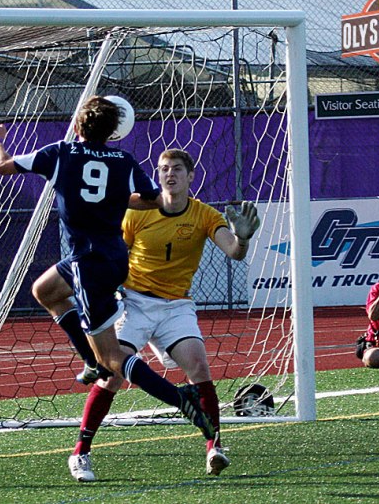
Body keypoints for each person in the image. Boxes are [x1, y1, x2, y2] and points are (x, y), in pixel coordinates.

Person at [0, 96, 215, 448]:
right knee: (45, 290)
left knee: (113, 360)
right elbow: (152, 198)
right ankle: (90, 361)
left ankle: (180, 398)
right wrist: (113, 197)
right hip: (109, 257)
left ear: (78, 125)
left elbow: (2, 166)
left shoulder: (60, 153)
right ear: (113, 133)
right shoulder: (123, 160)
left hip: (89, 265)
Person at [65, 148, 260, 482]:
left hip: (176, 307)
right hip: (135, 303)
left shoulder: (204, 215)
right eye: (164, 169)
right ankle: (80, 452)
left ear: (191, 176)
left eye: (177, 169)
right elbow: (113, 255)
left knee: (198, 366)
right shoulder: (137, 213)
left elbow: (234, 252)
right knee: (112, 373)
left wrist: (241, 238)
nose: (170, 174)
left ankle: (214, 446)